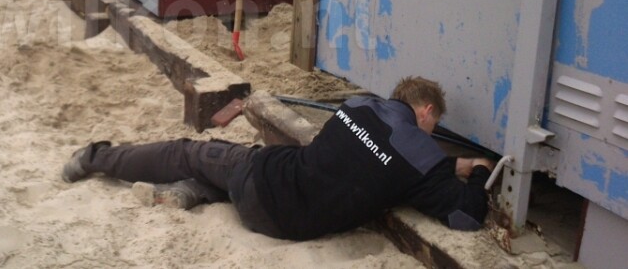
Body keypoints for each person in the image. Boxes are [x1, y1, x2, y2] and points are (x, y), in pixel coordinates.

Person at [61, 76, 493, 241]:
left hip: (261, 182)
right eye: (435, 127)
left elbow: (367, 152)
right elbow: (466, 217)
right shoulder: (422, 164)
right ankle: (192, 193)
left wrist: (444, 165)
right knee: (222, 172)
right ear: (427, 111)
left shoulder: (358, 106)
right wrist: (476, 172)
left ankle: (95, 157)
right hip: (290, 227)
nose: (432, 136)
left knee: (186, 152)